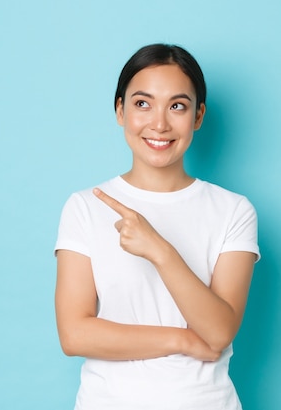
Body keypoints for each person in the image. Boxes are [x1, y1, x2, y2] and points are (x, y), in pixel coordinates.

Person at [54, 43, 260, 410]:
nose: (160, 123)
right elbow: (74, 334)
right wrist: (179, 340)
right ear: (120, 111)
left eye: (177, 106)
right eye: (142, 103)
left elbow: (218, 332)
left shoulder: (233, 210)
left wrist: (160, 251)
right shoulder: (85, 207)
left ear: (198, 116)